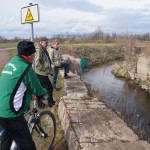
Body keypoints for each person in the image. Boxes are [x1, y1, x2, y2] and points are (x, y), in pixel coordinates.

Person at [0, 40, 49, 150]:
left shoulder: (13, 61)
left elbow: (17, 83)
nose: (35, 55)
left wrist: (29, 92)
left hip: (1, 108)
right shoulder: (26, 68)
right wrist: (45, 93)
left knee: (7, 141)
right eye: (34, 53)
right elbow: (39, 90)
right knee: (28, 147)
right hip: (11, 114)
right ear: (30, 55)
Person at [34, 37, 55, 107]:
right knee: (49, 88)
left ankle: (40, 104)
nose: (47, 44)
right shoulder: (39, 50)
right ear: (40, 42)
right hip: (41, 73)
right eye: (45, 43)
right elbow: (37, 63)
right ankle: (50, 103)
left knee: (40, 89)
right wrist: (45, 70)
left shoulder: (42, 49)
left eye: (47, 42)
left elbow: (46, 61)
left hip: (41, 73)